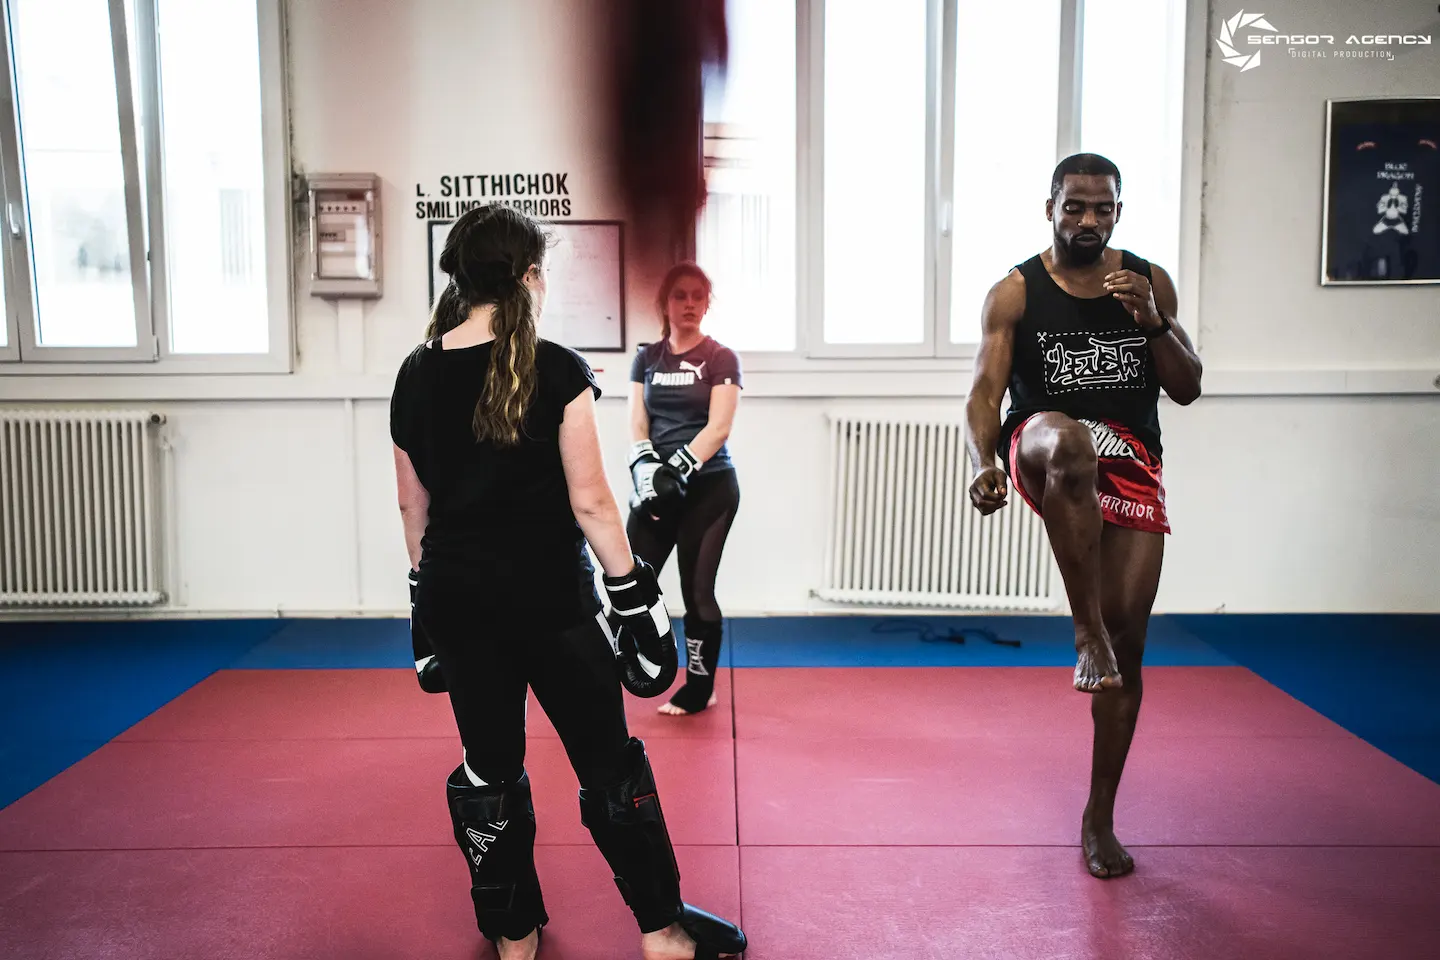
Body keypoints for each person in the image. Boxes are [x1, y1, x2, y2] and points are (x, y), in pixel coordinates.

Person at [390, 204, 746, 960]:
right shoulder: (555, 366)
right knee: (609, 764)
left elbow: (410, 506)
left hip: (458, 601)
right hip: (549, 603)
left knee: (489, 770)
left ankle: (513, 935)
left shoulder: (414, 373)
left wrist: (424, 606)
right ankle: (663, 931)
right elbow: (591, 500)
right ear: (527, 276)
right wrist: (636, 597)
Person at [964, 153, 1203, 880]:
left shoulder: (1148, 280)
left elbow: (1189, 388)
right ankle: (1082, 628)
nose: (1089, 221)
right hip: (1045, 443)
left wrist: (1154, 323)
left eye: (1103, 209)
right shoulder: (1016, 291)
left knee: (1129, 656)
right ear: (1051, 209)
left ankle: (1098, 817)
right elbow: (983, 389)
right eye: (1075, 207)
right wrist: (985, 459)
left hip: (1130, 457)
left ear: (1119, 213)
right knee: (1067, 440)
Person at [626, 263, 743, 716]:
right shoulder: (647, 358)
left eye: (698, 296)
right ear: (665, 303)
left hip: (710, 488)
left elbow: (719, 427)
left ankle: (699, 686)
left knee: (697, 590)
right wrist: (647, 472)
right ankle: (640, 663)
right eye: (681, 296)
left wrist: (677, 469)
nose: (690, 304)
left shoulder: (720, 357)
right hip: (657, 485)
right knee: (632, 583)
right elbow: (637, 420)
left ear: (707, 303)